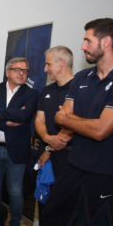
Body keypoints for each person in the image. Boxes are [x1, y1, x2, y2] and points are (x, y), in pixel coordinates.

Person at [41, 18, 113, 226]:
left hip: (105, 170)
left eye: (88, 41)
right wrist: (97, 122)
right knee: (51, 220)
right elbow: (60, 118)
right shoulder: (81, 77)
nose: (82, 46)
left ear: (106, 41)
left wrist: (86, 123)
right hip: (75, 164)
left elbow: (99, 132)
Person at [0, 57, 39, 226]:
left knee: (15, 191)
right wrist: (6, 121)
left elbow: (24, 116)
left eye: (25, 71)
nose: (21, 73)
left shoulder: (32, 93)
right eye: (17, 70)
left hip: (17, 151)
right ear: (7, 72)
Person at [34, 46, 74, 216]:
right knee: (46, 208)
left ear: (62, 63)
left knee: (69, 209)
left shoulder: (80, 88)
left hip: (72, 158)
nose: (45, 69)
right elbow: (39, 120)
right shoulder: (46, 90)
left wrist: (49, 149)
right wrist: (45, 138)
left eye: (48, 64)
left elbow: (75, 123)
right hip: (48, 154)